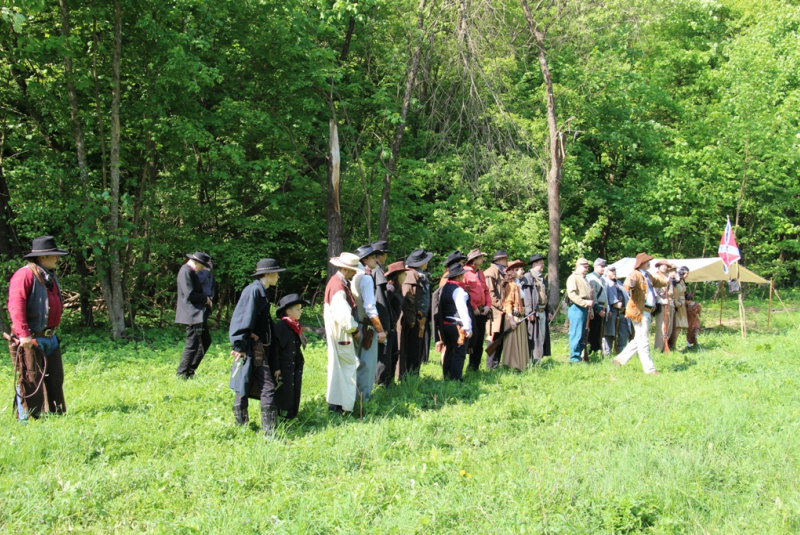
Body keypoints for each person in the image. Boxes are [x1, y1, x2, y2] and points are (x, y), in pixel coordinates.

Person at [7, 236, 69, 421]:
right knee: (30, 378)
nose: (57, 259)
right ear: (42, 258)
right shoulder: (24, 275)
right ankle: (28, 419)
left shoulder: (48, 275)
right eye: (53, 256)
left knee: (55, 379)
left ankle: (55, 414)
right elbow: (16, 305)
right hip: (32, 337)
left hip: (50, 337)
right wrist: (24, 334)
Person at [228, 258, 285, 436]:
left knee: (248, 384)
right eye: (276, 273)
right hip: (251, 348)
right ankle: (266, 432)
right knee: (255, 385)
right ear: (268, 274)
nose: (278, 277)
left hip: (258, 348)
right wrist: (240, 346)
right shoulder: (253, 291)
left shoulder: (260, 292)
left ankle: (246, 427)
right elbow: (242, 319)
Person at [612, 252, 669, 375]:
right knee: (644, 341)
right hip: (639, 312)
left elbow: (658, 281)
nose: (649, 263)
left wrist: (669, 279)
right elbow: (628, 284)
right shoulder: (635, 274)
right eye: (647, 261)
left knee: (639, 339)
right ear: (642, 263)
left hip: (646, 311)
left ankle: (619, 359)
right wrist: (631, 285)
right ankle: (649, 369)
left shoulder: (647, 275)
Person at [324, 253, 362, 413]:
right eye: (353, 270)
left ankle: (337, 404)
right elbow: (344, 317)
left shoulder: (337, 283)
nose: (355, 273)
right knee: (347, 369)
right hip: (342, 335)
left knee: (339, 368)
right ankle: (344, 406)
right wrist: (355, 329)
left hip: (338, 334)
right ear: (347, 270)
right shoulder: (338, 287)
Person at [352, 245, 387, 403]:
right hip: (365, 326)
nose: (377, 259)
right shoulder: (365, 277)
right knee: (367, 364)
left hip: (356, 325)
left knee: (355, 363)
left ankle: (353, 398)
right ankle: (363, 400)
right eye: (373, 257)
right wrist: (379, 329)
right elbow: (370, 307)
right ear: (365, 259)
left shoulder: (353, 275)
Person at [176, 251, 213, 378]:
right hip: (191, 313)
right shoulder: (185, 271)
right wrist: (206, 299)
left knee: (206, 341)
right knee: (192, 345)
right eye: (202, 266)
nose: (202, 269)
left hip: (197, 314)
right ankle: (182, 374)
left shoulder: (191, 272)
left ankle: (190, 370)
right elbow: (190, 294)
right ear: (195, 262)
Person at [398, 249, 433, 377]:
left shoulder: (420, 275)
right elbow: (408, 299)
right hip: (413, 319)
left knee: (417, 349)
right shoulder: (411, 275)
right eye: (425, 261)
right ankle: (410, 377)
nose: (427, 263)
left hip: (420, 318)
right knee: (412, 349)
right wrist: (413, 319)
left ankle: (414, 376)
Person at [274, 293, 309, 419]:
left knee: (295, 388)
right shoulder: (280, 327)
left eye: (301, 309)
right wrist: (276, 367)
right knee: (285, 390)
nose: (300, 312)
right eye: (298, 309)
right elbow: (275, 349)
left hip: (295, 365)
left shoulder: (296, 326)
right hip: (284, 366)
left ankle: (293, 413)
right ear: (288, 311)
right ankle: (283, 415)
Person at [436, 263, 473, 381]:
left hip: (446, 325)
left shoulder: (444, 288)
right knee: (459, 353)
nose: (463, 277)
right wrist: (468, 327)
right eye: (462, 275)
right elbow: (462, 310)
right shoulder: (459, 291)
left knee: (449, 351)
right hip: (457, 326)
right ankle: (456, 378)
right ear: (458, 276)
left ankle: (446, 375)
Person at [377, 261, 410, 386]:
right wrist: (384, 326)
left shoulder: (397, 288)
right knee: (385, 357)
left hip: (393, 327)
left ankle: (389, 382)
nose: (406, 277)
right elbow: (383, 307)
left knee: (394, 355)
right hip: (388, 327)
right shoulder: (389, 289)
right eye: (403, 274)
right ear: (397, 275)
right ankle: (381, 383)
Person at [463, 249, 492, 371]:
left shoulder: (481, 273)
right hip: (470, 312)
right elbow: (464, 292)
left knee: (479, 340)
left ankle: (475, 367)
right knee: (470, 340)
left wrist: (487, 306)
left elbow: (486, 291)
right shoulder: (465, 273)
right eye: (480, 257)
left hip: (482, 311)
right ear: (473, 260)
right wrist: (474, 307)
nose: (482, 260)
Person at [521, 253, 551, 364]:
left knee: (541, 337)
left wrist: (549, 311)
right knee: (533, 337)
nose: (543, 265)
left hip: (542, 311)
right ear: (534, 264)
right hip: (534, 313)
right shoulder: (528, 277)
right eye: (540, 263)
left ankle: (537, 362)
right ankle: (529, 361)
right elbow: (527, 297)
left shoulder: (541, 277)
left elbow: (544, 295)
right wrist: (529, 312)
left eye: (543, 263)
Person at [500, 260, 529, 371]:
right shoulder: (511, 285)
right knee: (513, 342)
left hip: (519, 315)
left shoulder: (517, 284)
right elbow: (508, 303)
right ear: (515, 271)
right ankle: (512, 366)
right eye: (521, 269)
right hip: (513, 316)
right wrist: (511, 319)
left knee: (519, 341)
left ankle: (520, 366)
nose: (523, 271)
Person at [370, 240, 392, 380]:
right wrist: (384, 325)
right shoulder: (377, 271)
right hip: (378, 319)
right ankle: (381, 383)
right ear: (380, 255)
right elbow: (381, 300)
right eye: (385, 255)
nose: (386, 258)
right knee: (382, 354)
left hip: (372, 317)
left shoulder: (371, 269)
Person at [484, 250, 508, 369]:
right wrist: (501, 305)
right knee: (493, 338)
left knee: (500, 338)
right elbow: (490, 293)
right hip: (494, 312)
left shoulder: (501, 272)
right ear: (499, 260)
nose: (507, 262)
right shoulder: (490, 272)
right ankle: (490, 366)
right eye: (505, 259)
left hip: (501, 311)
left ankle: (496, 364)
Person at [566, 258, 593, 363]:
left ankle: (580, 355)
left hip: (585, 308)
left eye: (587, 267)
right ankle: (574, 359)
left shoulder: (584, 279)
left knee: (583, 334)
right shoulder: (573, 278)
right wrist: (585, 303)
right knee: (576, 334)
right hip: (576, 308)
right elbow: (572, 295)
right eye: (585, 267)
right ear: (579, 266)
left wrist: (591, 311)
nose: (587, 269)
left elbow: (589, 296)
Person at [603, 266, 632, 354]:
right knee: (609, 333)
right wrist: (614, 303)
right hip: (612, 312)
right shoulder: (605, 283)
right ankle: (607, 353)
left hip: (623, 312)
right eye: (611, 271)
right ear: (606, 272)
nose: (613, 273)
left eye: (614, 271)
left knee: (624, 333)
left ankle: (621, 353)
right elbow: (605, 297)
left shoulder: (619, 283)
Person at [653, 259, 677, 353]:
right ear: (658, 266)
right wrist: (661, 300)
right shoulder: (656, 277)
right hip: (662, 303)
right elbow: (654, 292)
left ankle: (665, 347)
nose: (664, 267)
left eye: (666, 266)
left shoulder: (668, 276)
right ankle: (658, 349)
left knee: (669, 327)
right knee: (661, 327)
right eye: (662, 265)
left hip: (670, 303)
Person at [586, 258, 608, 356]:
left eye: (604, 266)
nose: (603, 268)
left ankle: (596, 350)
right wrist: (598, 310)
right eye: (601, 266)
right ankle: (591, 351)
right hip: (595, 308)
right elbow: (593, 297)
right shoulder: (591, 278)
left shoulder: (602, 279)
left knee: (600, 331)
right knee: (593, 331)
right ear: (596, 267)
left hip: (602, 307)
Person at [196, 258, 215, 355]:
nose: (210, 264)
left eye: (211, 262)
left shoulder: (210, 274)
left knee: (205, 339)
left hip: (207, 306)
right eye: (208, 262)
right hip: (200, 307)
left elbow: (211, 288)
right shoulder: (199, 274)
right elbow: (201, 289)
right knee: (198, 339)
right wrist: (206, 299)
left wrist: (211, 298)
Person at [669, 266, 689, 351]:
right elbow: (673, 293)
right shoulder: (675, 281)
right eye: (686, 273)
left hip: (683, 304)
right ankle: (672, 345)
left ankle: (674, 345)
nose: (687, 275)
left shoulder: (682, 281)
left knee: (680, 326)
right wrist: (677, 303)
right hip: (678, 304)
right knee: (677, 325)